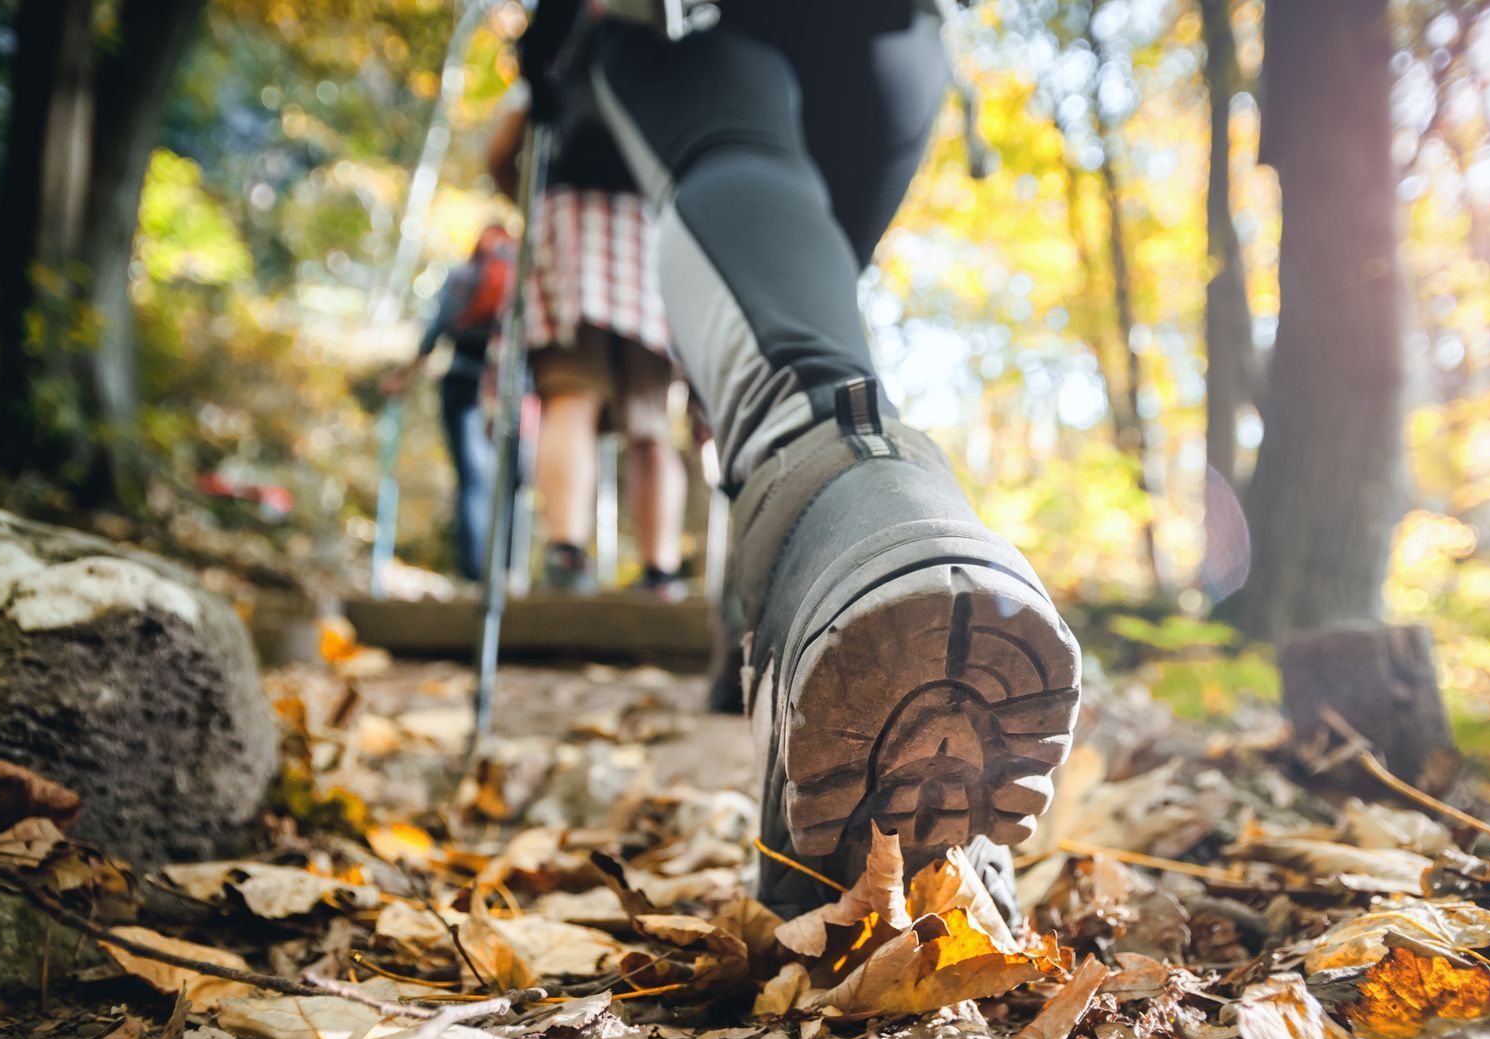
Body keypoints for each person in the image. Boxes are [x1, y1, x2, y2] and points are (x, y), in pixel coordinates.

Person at [522, 0, 1083, 924]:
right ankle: (798, 580)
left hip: (686, 32)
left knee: (743, 183)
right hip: (894, 51)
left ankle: (841, 508)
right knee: (791, 288)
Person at [489, 17, 688, 599]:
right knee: (650, 420)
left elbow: (502, 151)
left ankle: (566, 553)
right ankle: (661, 571)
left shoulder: (559, 48)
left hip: (568, 228)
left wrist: (532, 199)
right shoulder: (663, 54)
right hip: (650, 239)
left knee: (571, 396)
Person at [383, 224, 512, 581]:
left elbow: (433, 332)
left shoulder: (462, 275)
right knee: (510, 481)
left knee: (473, 480)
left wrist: (401, 376)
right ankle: (508, 572)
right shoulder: (524, 273)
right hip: (512, 388)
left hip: (463, 381)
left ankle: (475, 575)